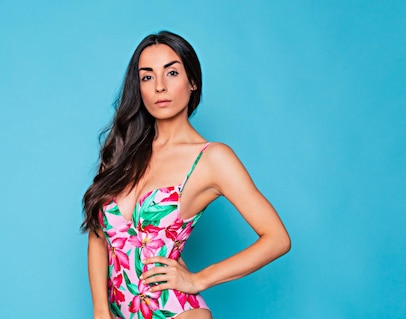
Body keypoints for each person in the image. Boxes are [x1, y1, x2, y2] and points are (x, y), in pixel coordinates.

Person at [81, 30, 291, 319]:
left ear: (192, 81)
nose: (159, 87)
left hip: (176, 312)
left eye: (172, 73)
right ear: (138, 88)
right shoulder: (122, 150)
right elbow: (98, 234)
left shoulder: (212, 159)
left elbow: (277, 239)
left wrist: (199, 279)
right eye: (147, 76)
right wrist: (100, 310)